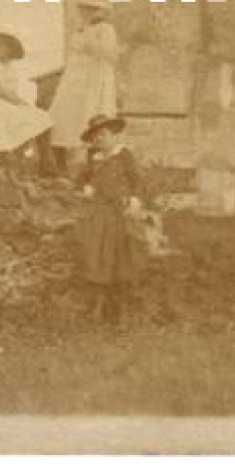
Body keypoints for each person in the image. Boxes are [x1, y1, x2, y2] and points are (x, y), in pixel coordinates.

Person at [42, 0, 119, 174]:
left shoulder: (105, 29)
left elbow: (109, 54)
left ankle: (93, 170)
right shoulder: (79, 31)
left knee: (91, 118)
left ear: (98, 10)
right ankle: (58, 167)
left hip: (94, 78)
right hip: (74, 80)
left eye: (90, 8)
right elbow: (73, 53)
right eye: (83, 8)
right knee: (61, 118)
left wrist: (90, 38)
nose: (85, 12)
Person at [76, 115, 146, 322]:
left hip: (120, 214)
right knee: (98, 257)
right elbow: (80, 179)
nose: (99, 140)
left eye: (103, 135)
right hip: (99, 214)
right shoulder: (94, 158)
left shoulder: (124, 155)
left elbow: (137, 181)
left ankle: (122, 310)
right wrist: (85, 187)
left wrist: (134, 200)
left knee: (122, 258)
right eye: (95, 137)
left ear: (114, 135)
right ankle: (98, 307)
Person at [0, 31, 52, 158]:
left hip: (5, 102)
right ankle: (14, 156)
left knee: (44, 118)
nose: (0, 48)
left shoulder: (10, 67)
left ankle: (45, 163)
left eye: (4, 45)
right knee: (24, 118)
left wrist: (20, 103)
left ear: (11, 49)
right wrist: (20, 103)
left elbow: (10, 90)